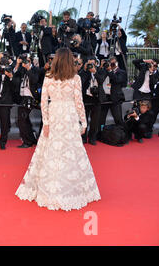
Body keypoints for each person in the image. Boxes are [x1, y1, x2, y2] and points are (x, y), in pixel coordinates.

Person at [15, 47, 101, 211]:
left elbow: (43, 103)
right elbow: (78, 102)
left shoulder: (49, 77)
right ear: (70, 61)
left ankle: (52, 188)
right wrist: (84, 122)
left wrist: (46, 123)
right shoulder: (74, 79)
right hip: (67, 116)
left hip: (55, 115)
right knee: (70, 151)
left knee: (52, 151)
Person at [15, 57, 42, 148]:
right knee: (23, 119)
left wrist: (29, 68)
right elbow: (15, 75)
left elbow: (34, 80)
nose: (26, 63)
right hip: (22, 97)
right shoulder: (21, 69)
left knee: (22, 119)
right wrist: (18, 64)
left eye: (28, 61)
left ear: (30, 62)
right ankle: (30, 140)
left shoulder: (36, 70)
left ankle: (28, 141)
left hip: (31, 97)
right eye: (24, 61)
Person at [79, 57, 106, 145]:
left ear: (96, 63)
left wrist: (94, 72)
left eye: (92, 64)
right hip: (86, 97)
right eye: (89, 64)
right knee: (84, 119)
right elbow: (81, 81)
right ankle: (83, 137)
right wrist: (85, 70)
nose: (91, 66)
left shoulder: (100, 71)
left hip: (97, 98)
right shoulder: (84, 72)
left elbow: (101, 80)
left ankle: (92, 138)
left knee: (95, 120)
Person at [99, 57, 127, 128]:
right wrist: (101, 67)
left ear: (117, 63)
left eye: (113, 63)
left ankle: (121, 132)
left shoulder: (121, 72)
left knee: (118, 118)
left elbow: (117, 80)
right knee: (101, 118)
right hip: (104, 97)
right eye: (110, 63)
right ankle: (100, 133)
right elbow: (99, 79)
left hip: (115, 97)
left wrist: (110, 71)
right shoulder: (105, 71)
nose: (111, 65)